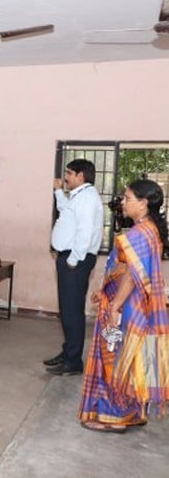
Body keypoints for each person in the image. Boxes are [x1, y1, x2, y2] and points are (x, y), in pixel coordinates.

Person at [78, 179, 169, 432]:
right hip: (136, 304)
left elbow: (131, 275)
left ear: (144, 203)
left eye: (128, 198)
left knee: (116, 357)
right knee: (133, 359)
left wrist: (115, 306)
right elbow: (124, 269)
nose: (123, 202)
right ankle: (133, 412)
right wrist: (104, 290)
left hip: (128, 307)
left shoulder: (140, 233)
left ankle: (115, 418)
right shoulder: (149, 229)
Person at [47, 159, 104, 376]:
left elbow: (85, 231)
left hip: (75, 260)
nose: (66, 177)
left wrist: (73, 259)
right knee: (68, 310)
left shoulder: (87, 198)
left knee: (71, 312)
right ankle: (69, 352)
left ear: (81, 176)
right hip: (71, 258)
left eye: (69, 173)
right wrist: (58, 192)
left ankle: (73, 362)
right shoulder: (79, 196)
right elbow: (66, 214)